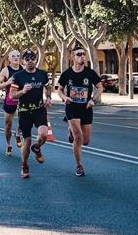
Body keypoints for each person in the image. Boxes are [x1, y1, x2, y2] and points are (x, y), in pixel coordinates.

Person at [57, 45, 103, 177]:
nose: (82, 56)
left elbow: (100, 87)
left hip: (86, 108)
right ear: (73, 57)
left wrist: (93, 99)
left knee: (86, 141)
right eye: (79, 54)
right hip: (72, 108)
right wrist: (64, 97)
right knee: (78, 137)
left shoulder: (90, 73)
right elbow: (59, 90)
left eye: (83, 54)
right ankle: (79, 165)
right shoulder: (67, 74)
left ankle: (71, 130)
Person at [10, 49, 52, 178]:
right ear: (23, 61)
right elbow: (12, 95)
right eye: (27, 59)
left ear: (36, 60)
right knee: (26, 141)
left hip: (39, 109)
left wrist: (48, 97)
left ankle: (37, 147)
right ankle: (24, 165)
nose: (30, 61)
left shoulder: (42, 74)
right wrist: (22, 91)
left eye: (32, 59)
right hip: (24, 111)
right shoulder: (18, 76)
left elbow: (48, 86)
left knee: (44, 134)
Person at [0, 50, 23, 156]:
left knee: (23, 120)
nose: (16, 57)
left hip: (22, 98)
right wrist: (7, 82)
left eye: (18, 56)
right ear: (9, 59)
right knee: (8, 124)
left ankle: (18, 133)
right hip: (10, 99)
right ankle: (8, 144)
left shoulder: (23, 70)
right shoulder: (6, 70)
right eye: (13, 56)